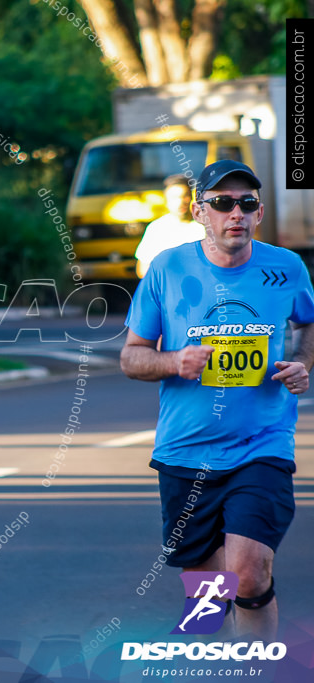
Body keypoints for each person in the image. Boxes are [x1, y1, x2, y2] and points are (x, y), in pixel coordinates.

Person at [121, 160, 314, 641]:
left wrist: (302, 361)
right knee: (209, 598)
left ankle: (258, 671)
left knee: (248, 574)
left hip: (262, 445)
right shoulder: (168, 269)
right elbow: (130, 357)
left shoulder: (286, 268)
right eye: (222, 203)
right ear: (199, 211)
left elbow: (309, 323)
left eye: (246, 204)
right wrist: (174, 362)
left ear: (259, 212)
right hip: (185, 451)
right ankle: (220, 652)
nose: (236, 213)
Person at [134, 174, 206, 278]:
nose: (180, 202)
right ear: (166, 200)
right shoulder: (155, 229)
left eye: (184, 196)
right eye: (174, 198)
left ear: (191, 197)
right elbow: (142, 270)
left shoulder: (205, 227)